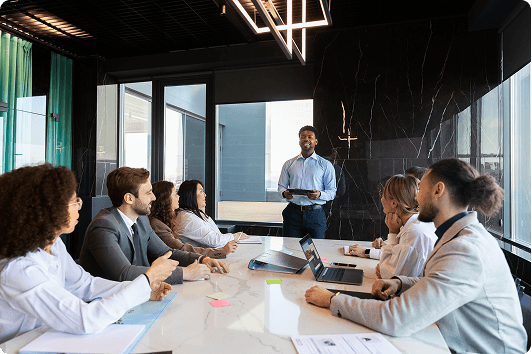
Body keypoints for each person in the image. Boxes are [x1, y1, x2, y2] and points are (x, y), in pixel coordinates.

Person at [305, 158, 527, 354]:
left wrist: (333, 299)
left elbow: (395, 319)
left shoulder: (464, 248)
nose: (415, 197)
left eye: (420, 188)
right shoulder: (459, 235)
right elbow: (439, 281)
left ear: (438, 190)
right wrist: (401, 283)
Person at [0, 164, 175, 344]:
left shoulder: (53, 244)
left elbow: (85, 284)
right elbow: (85, 320)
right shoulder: (19, 269)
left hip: (44, 338)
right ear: (47, 210)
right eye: (74, 201)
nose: (79, 207)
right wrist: (147, 279)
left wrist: (143, 290)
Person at [79, 167, 229, 285]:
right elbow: (123, 274)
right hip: (107, 307)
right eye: (149, 193)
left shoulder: (142, 220)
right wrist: (186, 274)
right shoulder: (104, 226)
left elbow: (166, 252)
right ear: (129, 198)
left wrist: (201, 259)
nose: (154, 197)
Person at [348, 175, 436, 278]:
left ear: (394, 202)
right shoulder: (415, 223)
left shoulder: (413, 232)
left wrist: (392, 232)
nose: (381, 199)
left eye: (383, 194)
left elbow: (391, 276)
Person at [149, 181, 238, 258]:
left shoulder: (171, 219)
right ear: (165, 199)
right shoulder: (160, 224)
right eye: (175, 194)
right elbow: (181, 249)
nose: (178, 197)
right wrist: (222, 251)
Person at [278, 125, 337, 239]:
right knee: (291, 250)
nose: (306, 139)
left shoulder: (325, 165)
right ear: (299, 141)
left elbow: (332, 191)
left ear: (316, 141)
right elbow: (281, 186)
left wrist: (319, 194)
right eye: (303, 137)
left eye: (310, 137)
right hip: (292, 213)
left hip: (315, 214)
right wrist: (284, 193)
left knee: (316, 252)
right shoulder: (289, 164)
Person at [174, 180, 249, 248]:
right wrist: (235, 236)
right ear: (191, 195)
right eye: (201, 191)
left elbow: (217, 235)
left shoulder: (196, 214)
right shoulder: (188, 218)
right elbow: (214, 241)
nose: (205, 195)